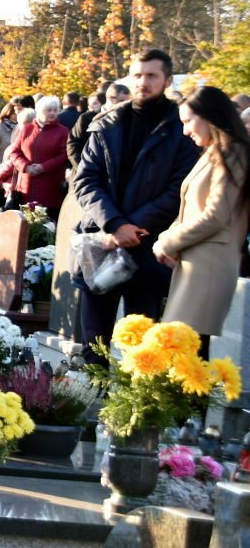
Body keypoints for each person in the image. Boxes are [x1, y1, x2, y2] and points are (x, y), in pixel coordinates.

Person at [73, 49, 199, 363]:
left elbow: (180, 189)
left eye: (152, 76)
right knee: (94, 346)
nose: (143, 82)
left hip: (150, 245)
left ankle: (134, 397)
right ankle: (93, 395)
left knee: (142, 351)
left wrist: (133, 227)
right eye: (138, 75)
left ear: (167, 80)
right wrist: (115, 224)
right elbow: (86, 180)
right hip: (102, 242)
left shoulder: (181, 128)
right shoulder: (106, 123)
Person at [151, 86, 250, 342]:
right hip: (197, 262)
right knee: (183, 349)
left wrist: (167, 242)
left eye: (188, 121)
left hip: (209, 266)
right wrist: (167, 239)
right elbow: (190, 208)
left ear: (209, 116)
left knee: (188, 350)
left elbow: (216, 215)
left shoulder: (233, 152)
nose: (185, 131)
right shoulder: (216, 152)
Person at [2, 96, 70, 210]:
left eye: (55, 110)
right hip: (26, 187)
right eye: (49, 110)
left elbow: (64, 155)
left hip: (50, 188)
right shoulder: (27, 129)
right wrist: (25, 166)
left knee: (46, 219)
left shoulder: (63, 131)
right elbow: (15, 152)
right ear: (39, 111)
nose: (52, 113)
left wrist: (43, 167)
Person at [70, 82, 128, 171]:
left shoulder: (128, 118)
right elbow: (73, 145)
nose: (125, 105)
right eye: (122, 101)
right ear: (111, 98)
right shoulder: (86, 118)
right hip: (87, 171)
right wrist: (83, 169)